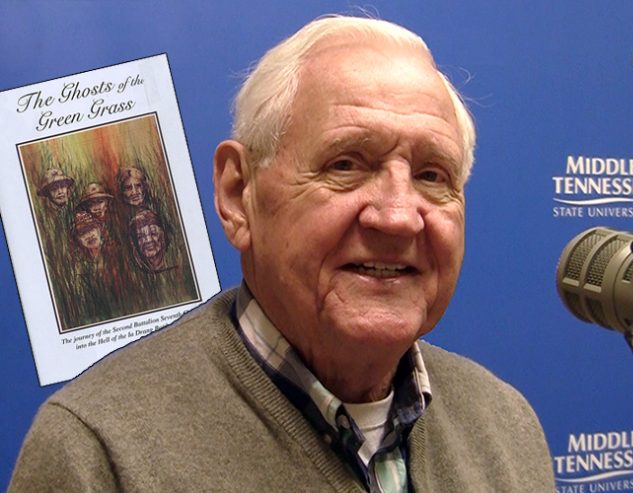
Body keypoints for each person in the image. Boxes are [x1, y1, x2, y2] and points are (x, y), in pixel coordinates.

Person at [9, 15, 554, 492]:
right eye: (346, 164)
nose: (397, 216)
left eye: (432, 176)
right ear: (237, 194)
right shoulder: (98, 453)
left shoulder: (505, 428)